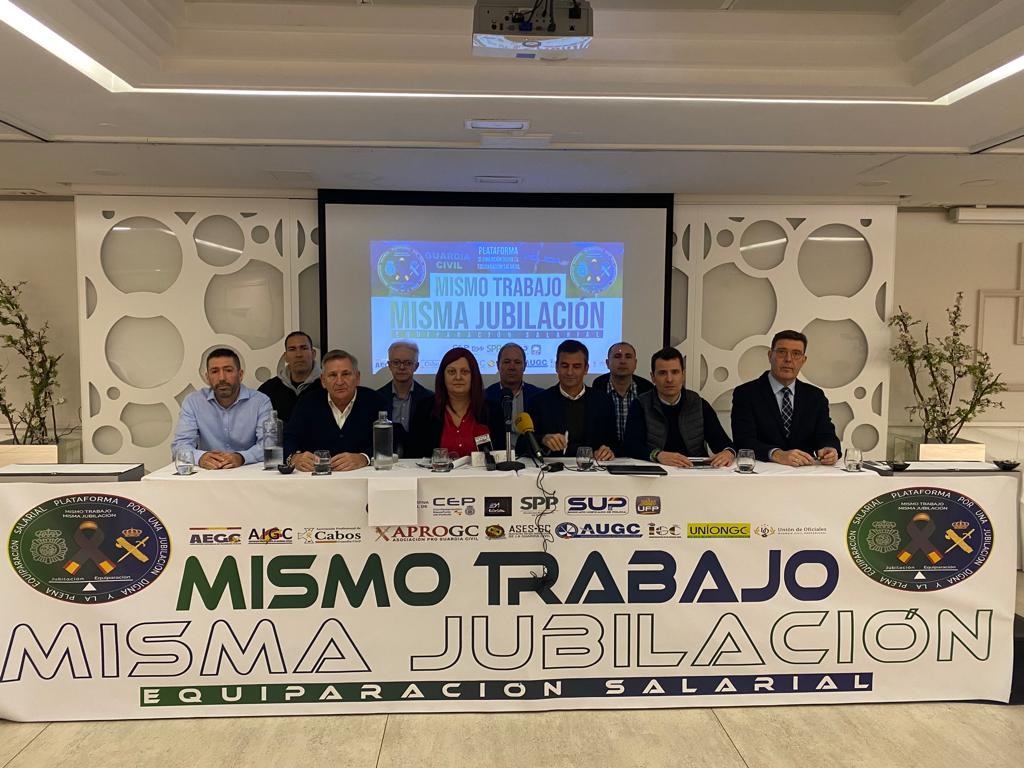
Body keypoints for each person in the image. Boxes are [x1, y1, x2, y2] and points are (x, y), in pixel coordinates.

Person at [730, 329, 841, 466]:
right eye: (782, 352)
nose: (788, 359)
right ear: (770, 355)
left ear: (803, 360)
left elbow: (826, 434)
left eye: (796, 354)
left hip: (805, 472)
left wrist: (829, 448)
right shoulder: (746, 394)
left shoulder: (815, 396)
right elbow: (743, 441)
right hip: (761, 471)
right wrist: (777, 454)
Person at [624, 347, 734, 467]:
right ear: (653, 377)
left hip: (693, 470)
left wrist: (728, 452)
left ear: (683, 375)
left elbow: (722, 442)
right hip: (656, 470)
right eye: (662, 373)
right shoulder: (640, 404)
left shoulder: (698, 404)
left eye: (675, 372)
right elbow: (631, 446)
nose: (669, 379)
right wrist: (658, 455)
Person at [284, 350, 387, 471]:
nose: (339, 382)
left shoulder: (375, 401)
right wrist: (294, 457)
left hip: (363, 474)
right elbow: (288, 438)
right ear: (323, 380)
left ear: (357, 377)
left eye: (346, 374)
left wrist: (364, 458)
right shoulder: (307, 402)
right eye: (333, 375)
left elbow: (389, 442)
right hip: (316, 476)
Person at [171, 347, 272, 469]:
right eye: (214, 371)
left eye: (228, 370)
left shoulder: (260, 402)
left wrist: (241, 457)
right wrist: (201, 457)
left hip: (247, 471)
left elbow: (269, 445)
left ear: (240, 375)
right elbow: (180, 445)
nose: (222, 378)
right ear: (207, 377)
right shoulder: (193, 402)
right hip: (209, 473)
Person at [406, 347, 505, 459]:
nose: (458, 377)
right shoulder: (425, 409)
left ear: (473, 376)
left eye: (464, 372)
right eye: (451, 372)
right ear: (443, 376)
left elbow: (501, 456)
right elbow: (413, 456)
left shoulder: (492, 410)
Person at [531, 339, 617, 461]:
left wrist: (607, 450)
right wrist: (543, 439)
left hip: (593, 467)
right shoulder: (539, 402)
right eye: (564, 366)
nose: (570, 372)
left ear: (586, 369)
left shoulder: (603, 401)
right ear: (556, 367)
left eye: (576, 366)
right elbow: (523, 444)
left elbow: (613, 443)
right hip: (552, 468)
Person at [591, 341, 654, 443]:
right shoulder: (597, 388)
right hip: (605, 450)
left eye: (628, 357)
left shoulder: (647, 389)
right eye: (617, 356)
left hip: (638, 451)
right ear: (607, 363)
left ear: (635, 363)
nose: (623, 361)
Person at [257, 330, 319, 422]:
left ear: (313, 354)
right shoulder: (268, 389)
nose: (298, 354)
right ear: (285, 356)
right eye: (292, 349)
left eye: (304, 348)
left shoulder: (328, 387)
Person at [484, 342, 543, 435]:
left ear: (525, 366)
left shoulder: (539, 396)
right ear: (498, 365)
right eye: (507, 362)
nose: (512, 367)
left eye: (517, 362)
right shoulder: (485, 397)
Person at [376, 340, 434, 432]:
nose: (402, 367)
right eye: (396, 362)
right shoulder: (377, 398)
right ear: (389, 365)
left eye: (408, 363)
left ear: (416, 366)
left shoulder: (430, 399)